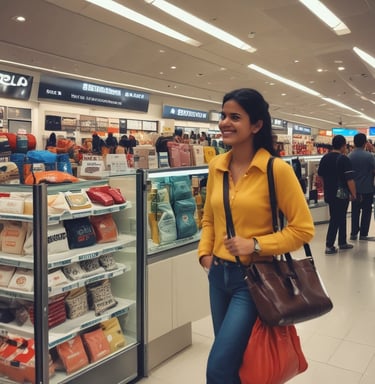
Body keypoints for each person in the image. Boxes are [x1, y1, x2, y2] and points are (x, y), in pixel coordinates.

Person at [198, 88, 314, 384]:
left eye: (235, 117)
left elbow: (303, 229)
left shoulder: (276, 170)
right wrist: (205, 255)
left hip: (253, 281)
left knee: (218, 368)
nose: (225, 122)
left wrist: (257, 244)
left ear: (257, 125)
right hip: (218, 277)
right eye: (223, 115)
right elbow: (209, 218)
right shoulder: (217, 167)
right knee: (235, 362)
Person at [317, 135, 356, 254]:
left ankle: (342, 242)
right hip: (341, 194)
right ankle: (329, 245)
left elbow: (320, 176)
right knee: (336, 218)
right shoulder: (344, 159)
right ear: (344, 146)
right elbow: (349, 179)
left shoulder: (325, 158)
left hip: (329, 193)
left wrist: (325, 187)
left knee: (339, 216)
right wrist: (353, 193)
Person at [348, 133, 375, 241]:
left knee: (355, 211)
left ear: (354, 143)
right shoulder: (369, 156)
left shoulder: (349, 156)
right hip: (367, 188)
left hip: (354, 189)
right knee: (366, 211)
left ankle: (353, 233)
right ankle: (363, 234)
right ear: (365, 143)